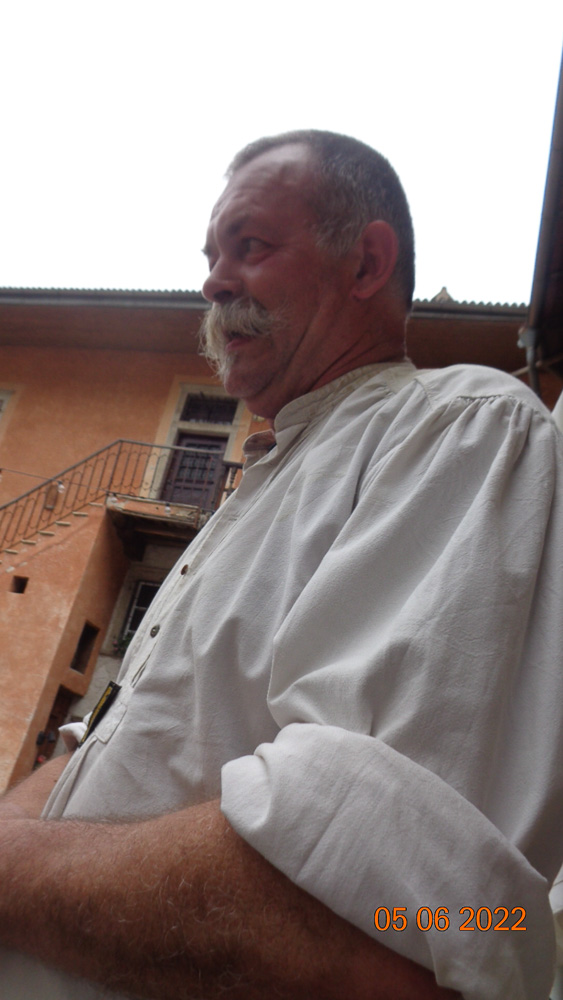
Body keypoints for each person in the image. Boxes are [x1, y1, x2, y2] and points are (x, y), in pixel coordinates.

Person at [0, 130, 562, 1000]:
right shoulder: (254, 494)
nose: (214, 281)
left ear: (366, 262)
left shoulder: (456, 429)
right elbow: (100, 750)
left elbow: (377, 925)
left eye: (250, 246)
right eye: (210, 257)